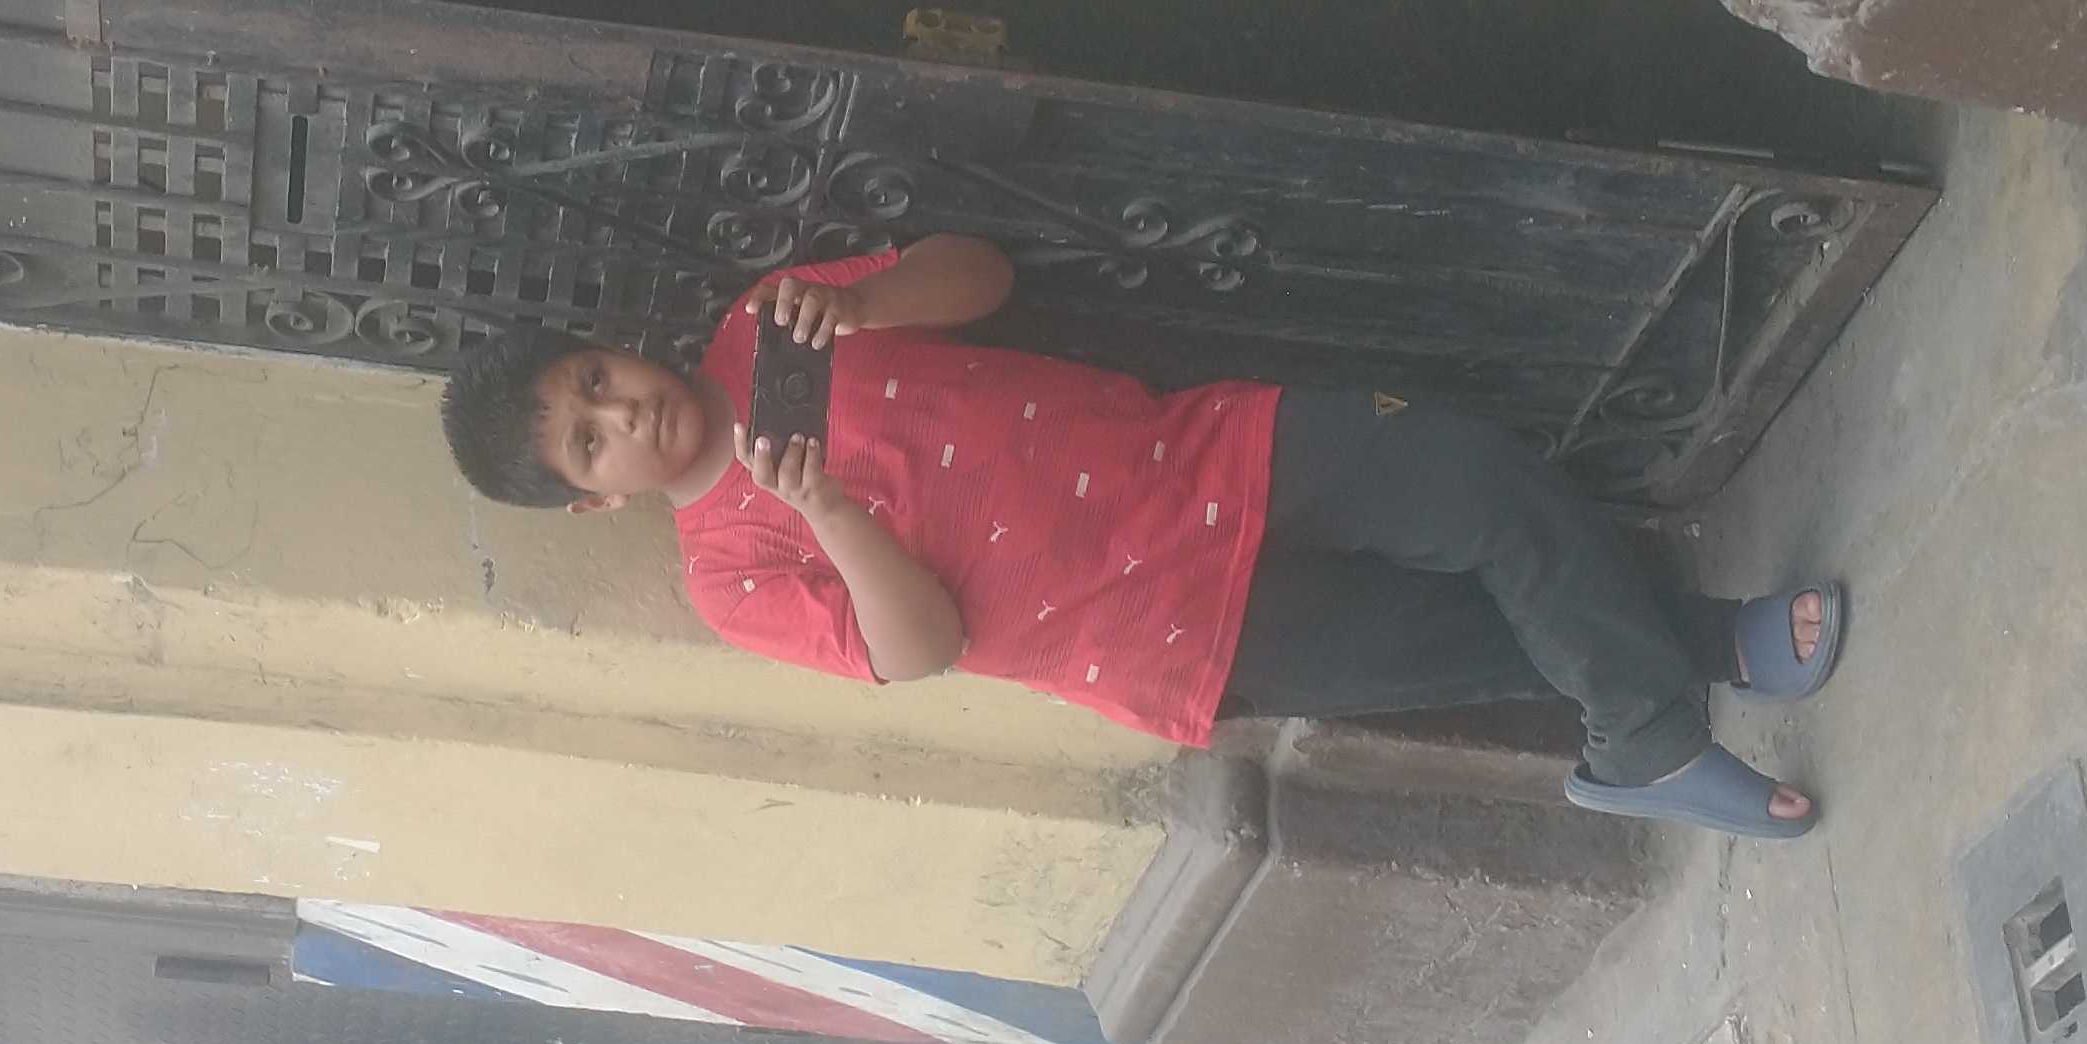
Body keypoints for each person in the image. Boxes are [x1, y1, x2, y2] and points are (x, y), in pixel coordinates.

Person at [435, 234, 1840, 838]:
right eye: (590, 441)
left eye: (596, 380)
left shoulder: (769, 320)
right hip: (1163, 633)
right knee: (1472, 641)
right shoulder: (730, 575)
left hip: (1198, 454)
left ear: (611, 348)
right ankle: (1713, 649)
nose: (622, 412)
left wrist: (867, 306)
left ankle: (1645, 749)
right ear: (595, 499)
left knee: (1473, 480)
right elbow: (920, 650)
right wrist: (830, 514)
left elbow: (980, 273)